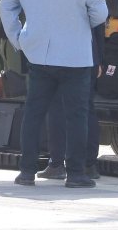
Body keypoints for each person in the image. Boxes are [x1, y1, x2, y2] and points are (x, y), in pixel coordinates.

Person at [0, 0, 108, 188]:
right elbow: (100, 14)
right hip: (76, 58)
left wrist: (18, 38)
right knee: (76, 115)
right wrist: (81, 24)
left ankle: (26, 172)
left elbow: (5, 4)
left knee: (34, 113)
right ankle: (76, 174)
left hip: (39, 55)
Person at [39, 23, 106, 181]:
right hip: (89, 53)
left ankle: (57, 164)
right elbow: (99, 21)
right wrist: (99, 59)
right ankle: (89, 165)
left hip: (60, 54)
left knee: (57, 107)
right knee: (86, 108)